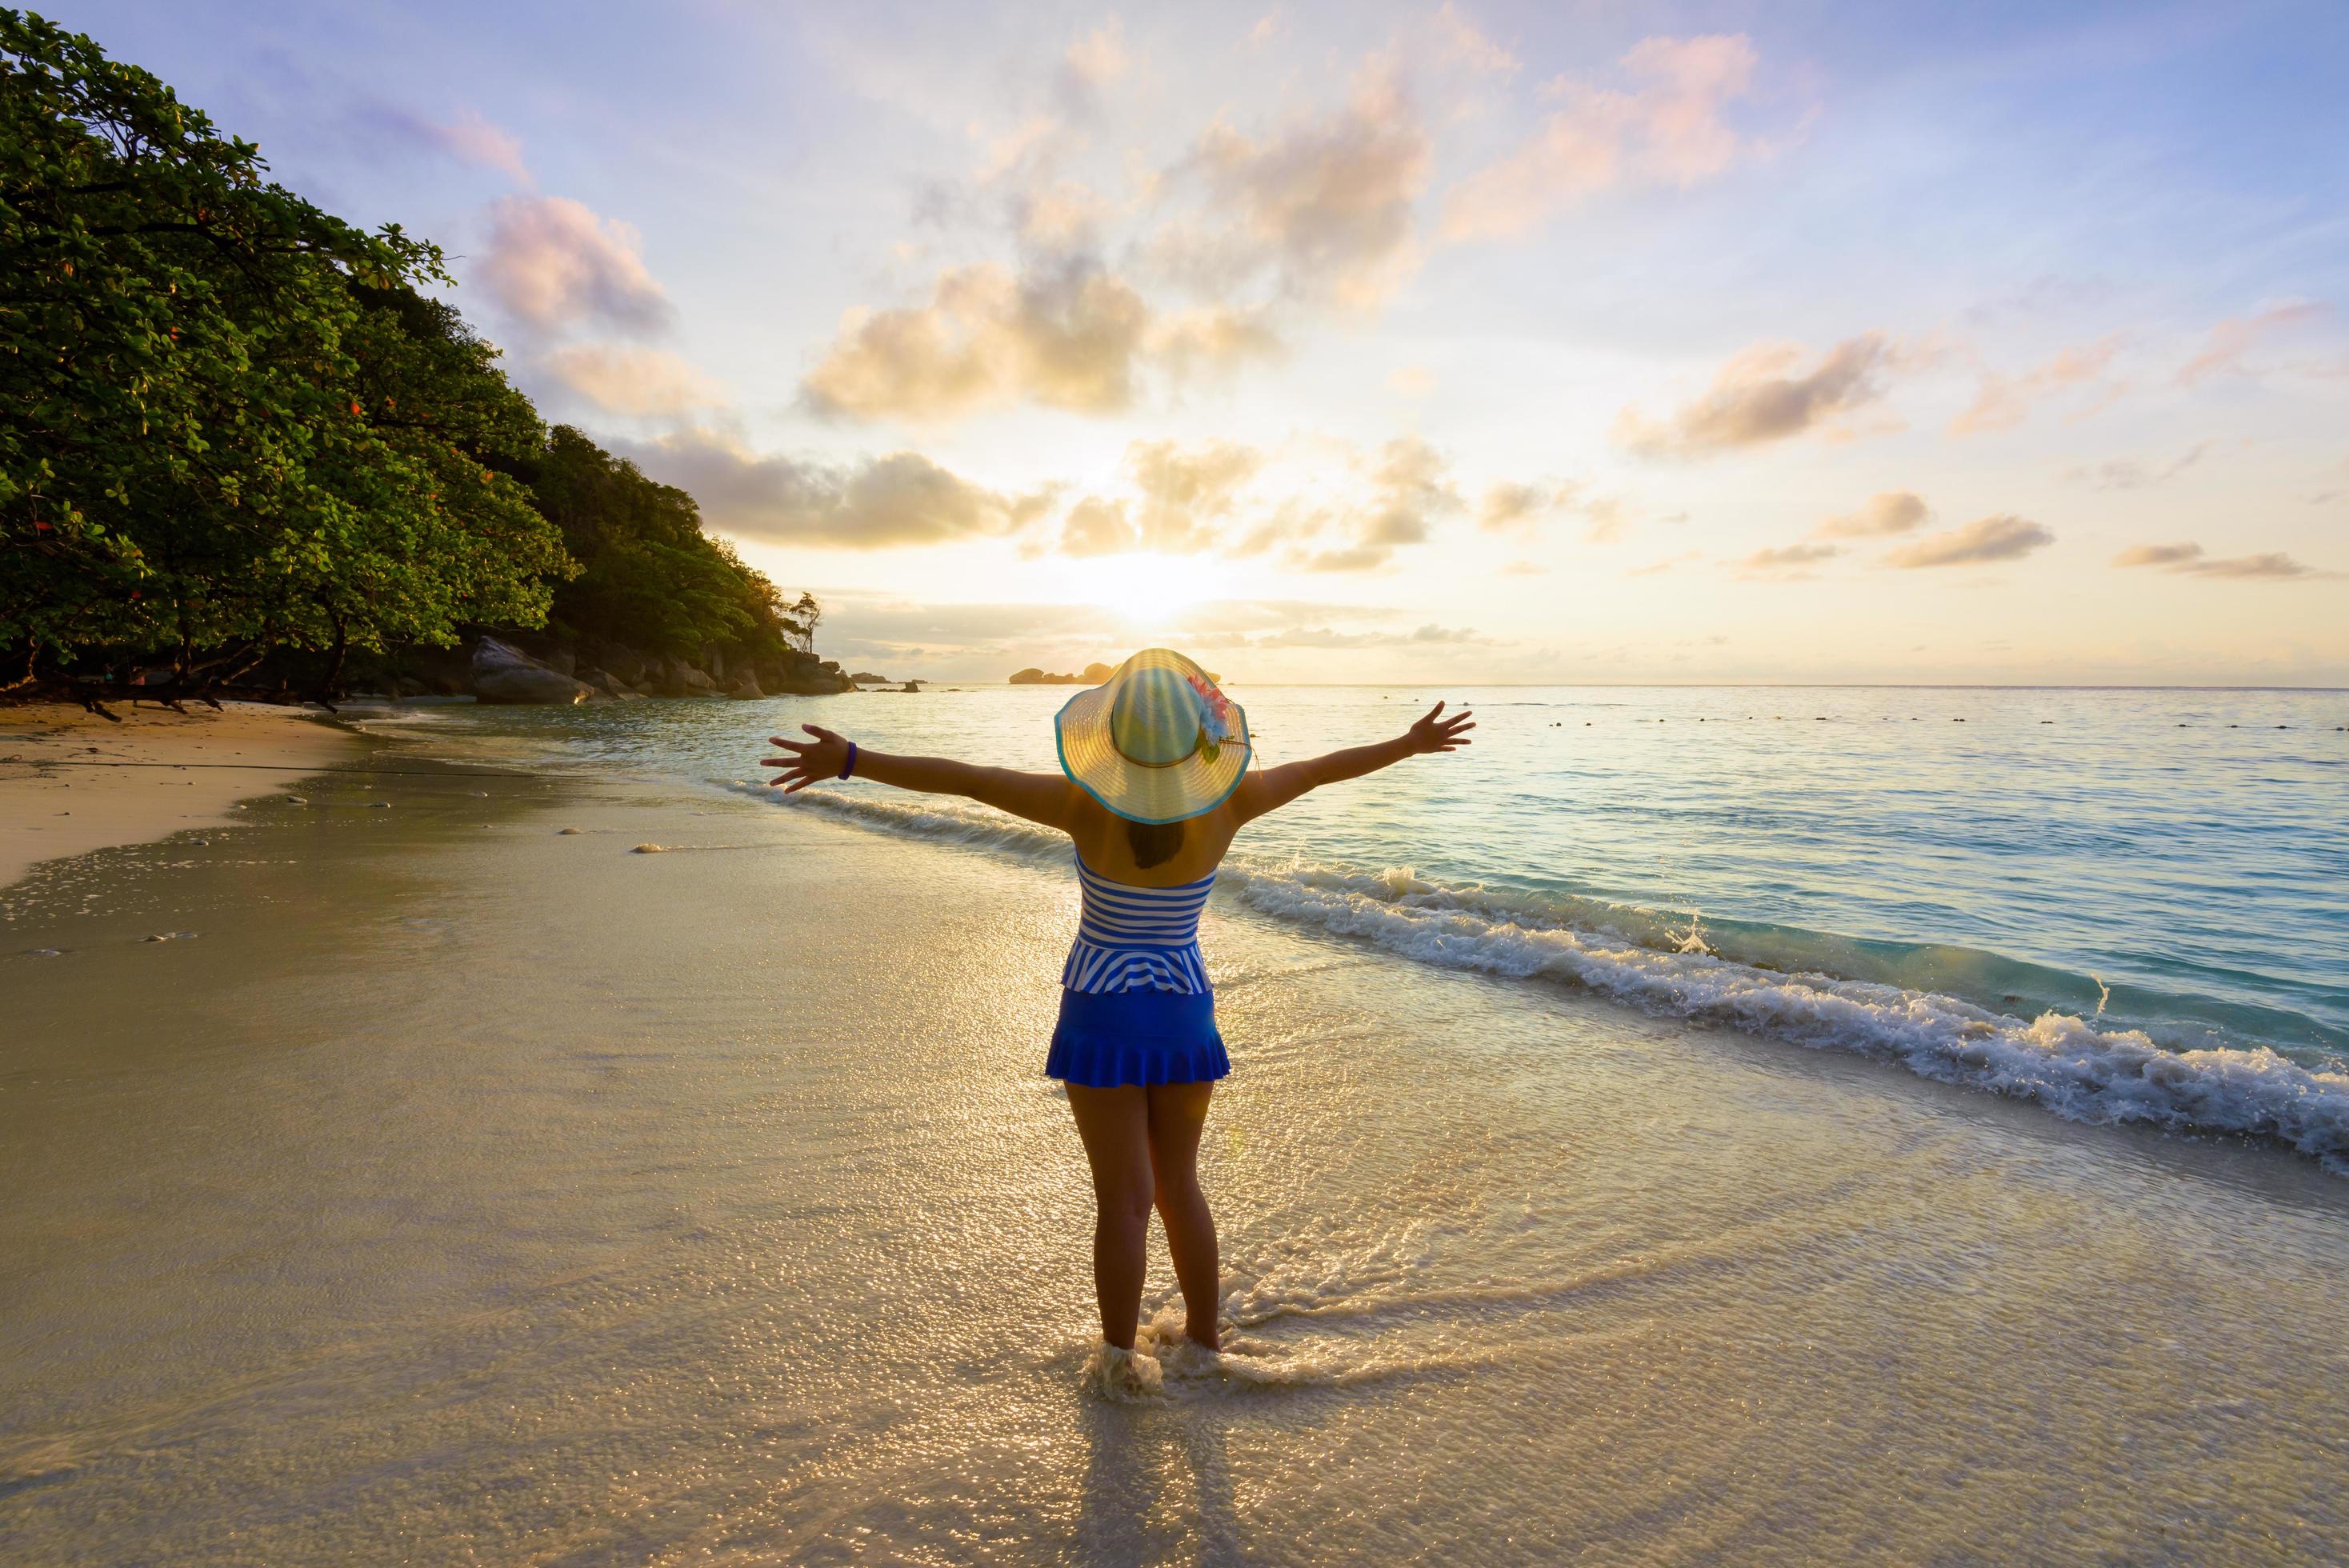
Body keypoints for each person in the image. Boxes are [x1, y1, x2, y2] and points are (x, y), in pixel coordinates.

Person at [762, 648, 1473, 1389]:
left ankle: (1118, 1365)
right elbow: (1322, 769)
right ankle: (1205, 1344)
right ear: (1202, 743)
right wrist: (1406, 744)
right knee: (1180, 1190)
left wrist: (852, 758)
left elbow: (967, 779)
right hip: (1183, 1010)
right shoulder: (1234, 802)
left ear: (1114, 740)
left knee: (1125, 1201)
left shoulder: (1082, 804)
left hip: (1101, 1009)